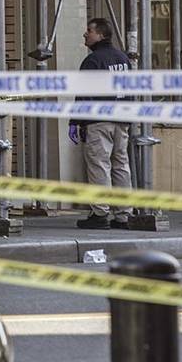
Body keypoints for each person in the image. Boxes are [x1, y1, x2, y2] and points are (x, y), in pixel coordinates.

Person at [71, 17, 133, 230]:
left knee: (99, 165)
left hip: (99, 120)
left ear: (101, 35)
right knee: (121, 165)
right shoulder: (123, 59)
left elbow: (84, 93)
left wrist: (76, 120)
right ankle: (124, 214)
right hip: (122, 119)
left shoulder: (94, 60)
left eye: (89, 30)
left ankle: (100, 213)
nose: (85, 34)